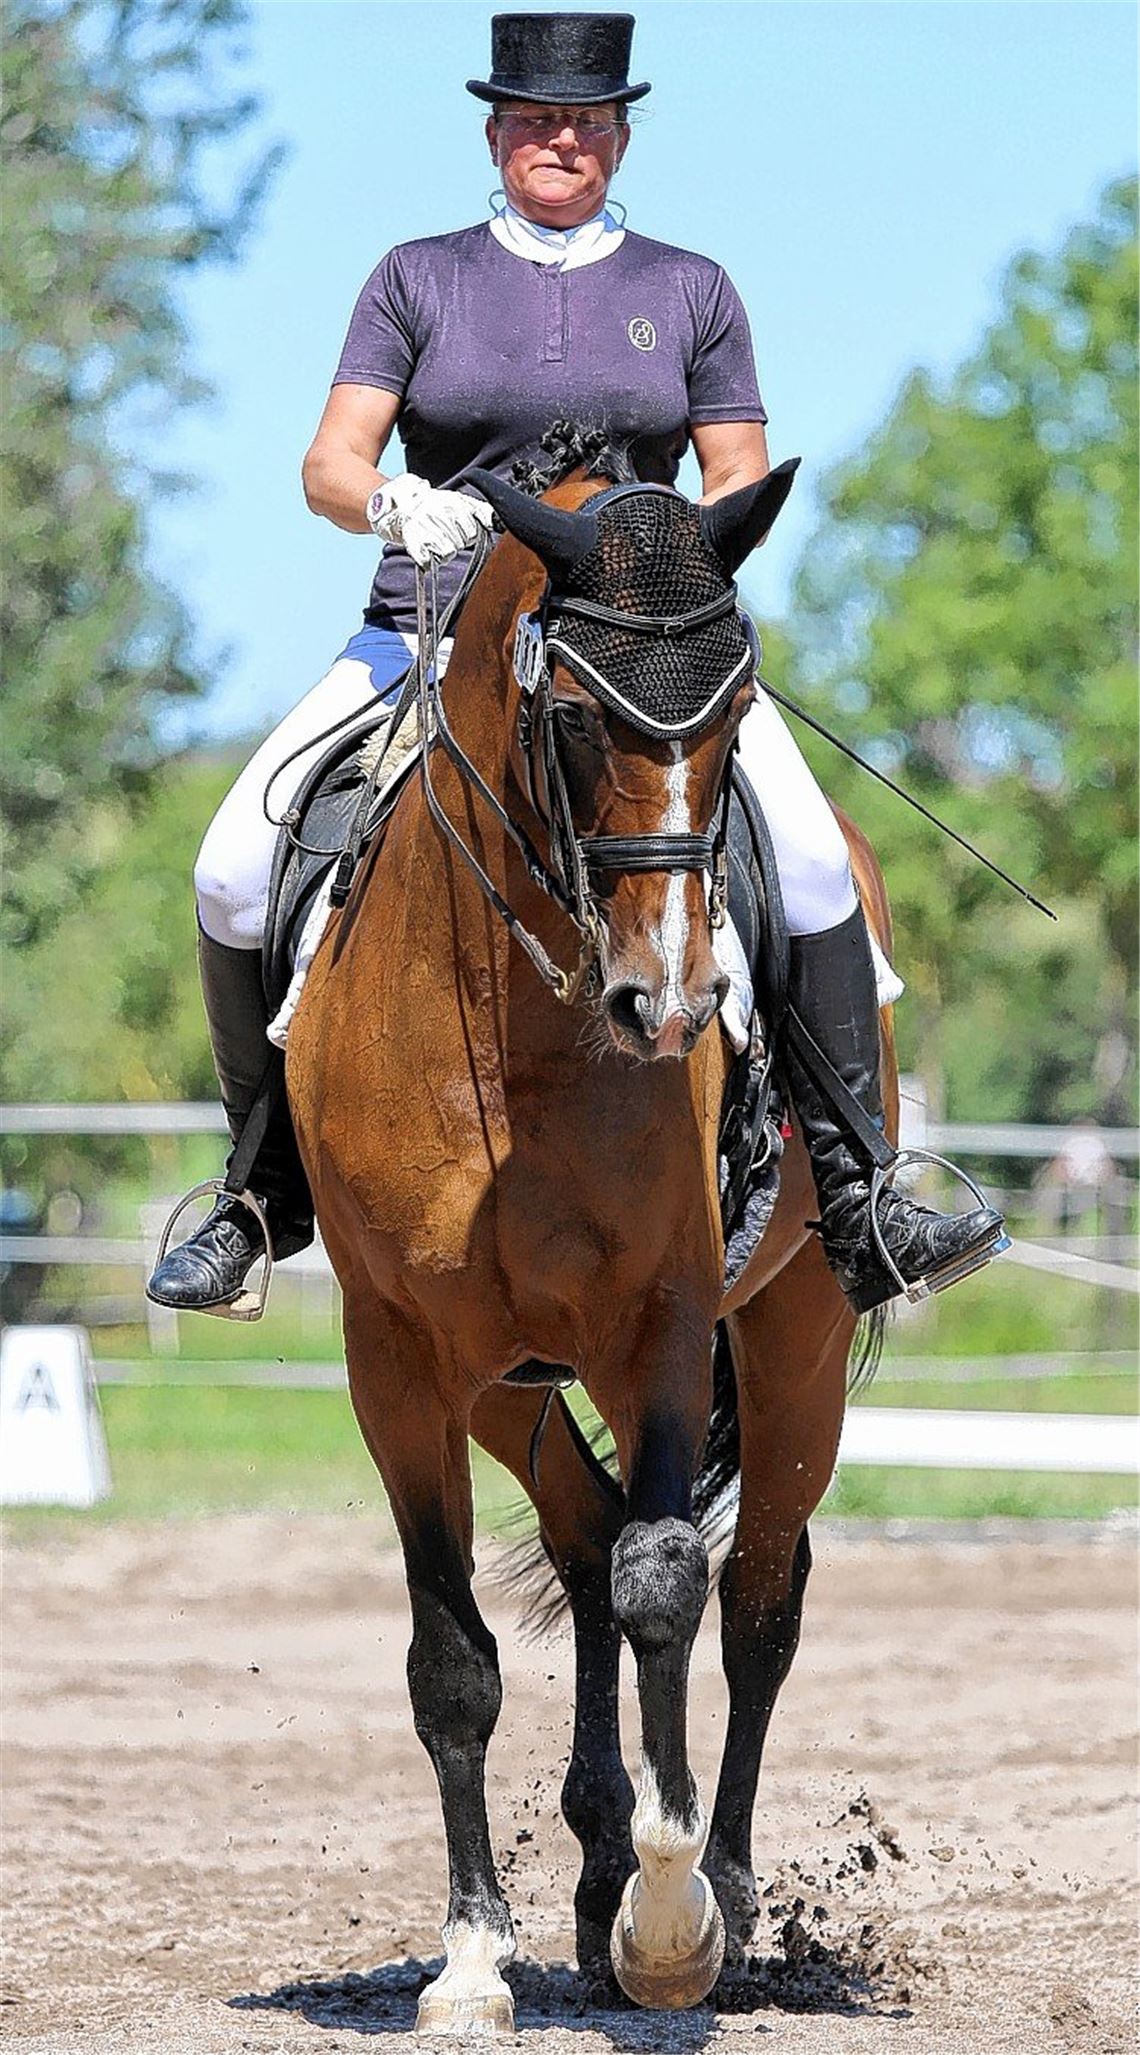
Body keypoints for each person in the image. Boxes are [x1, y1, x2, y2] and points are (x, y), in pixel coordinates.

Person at [147, 10, 1005, 1319]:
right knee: (229, 866)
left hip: (640, 648)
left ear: (619, 137)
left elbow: (733, 473)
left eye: (590, 123)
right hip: (425, 634)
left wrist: (690, 568)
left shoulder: (690, 289)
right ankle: (261, 1191)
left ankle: (861, 1190)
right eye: (540, 121)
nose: (565, 141)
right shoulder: (416, 278)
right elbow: (328, 460)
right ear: (496, 132)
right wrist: (389, 504)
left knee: (820, 859)